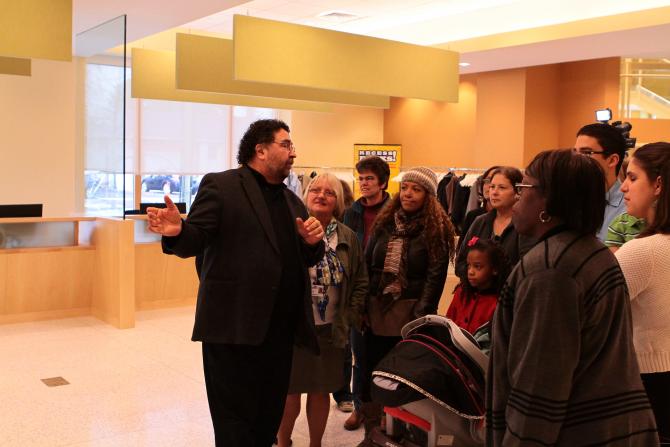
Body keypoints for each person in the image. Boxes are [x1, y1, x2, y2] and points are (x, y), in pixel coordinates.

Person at [146, 119, 326, 447]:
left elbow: (304, 257)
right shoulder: (223, 186)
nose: (293, 153)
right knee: (234, 423)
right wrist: (178, 231)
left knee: (267, 418)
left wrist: (314, 243)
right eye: (286, 144)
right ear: (260, 149)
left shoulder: (291, 201)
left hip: (279, 332)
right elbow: (197, 239)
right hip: (233, 329)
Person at [487, 149, 658, 446]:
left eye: (524, 187)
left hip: (577, 432)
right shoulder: (587, 250)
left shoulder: (552, 271)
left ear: (548, 202)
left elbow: (539, 387)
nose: (516, 197)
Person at [359, 167, 456, 446]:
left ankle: (400, 428)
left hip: (410, 313)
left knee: (403, 374)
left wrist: (421, 313)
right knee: (371, 370)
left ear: (428, 195)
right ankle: (373, 429)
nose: (408, 194)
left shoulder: (435, 228)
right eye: (405, 188)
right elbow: (368, 265)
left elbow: (434, 276)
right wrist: (364, 305)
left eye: (416, 189)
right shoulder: (384, 223)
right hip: (378, 310)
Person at [277, 173, 368, 447]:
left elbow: (360, 281)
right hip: (293, 326)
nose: (321, 195)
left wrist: (349, 318)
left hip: (330, 328)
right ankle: (283, 443)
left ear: (338, 201)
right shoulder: (290, 229)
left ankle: (315, 443)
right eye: (315, 190)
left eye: (329, 192)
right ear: (305, 196)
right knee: (289, 391)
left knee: (320, 391)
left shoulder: (346, 236)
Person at [615, 142, 670, 443]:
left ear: (658, 184)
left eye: (633, 178)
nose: (623, 187)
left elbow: (593, 314)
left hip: (650, 382)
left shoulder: (642, 251)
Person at [337, 156, 392, 430]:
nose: (364, 183)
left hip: (385, 295)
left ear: (382, 182)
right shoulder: (352, 212)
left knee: (385, 357)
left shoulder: (395, 211)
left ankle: (383, 412)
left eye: (370, 178)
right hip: (358, 292)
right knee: (359, 355)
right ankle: (360, 407)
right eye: (361, 178)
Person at [455, 166, 533, 282]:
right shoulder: (480, 221)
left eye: (502, 187)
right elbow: (460, 263)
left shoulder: (524, 225)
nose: (494, 192)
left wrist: (490, 276)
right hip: (478, 295)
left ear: (517, 191)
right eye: (492, 187)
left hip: (509, 295)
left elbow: (527, 269)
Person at [574, 122, 628, 241]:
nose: (576, 160)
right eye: (575, 152)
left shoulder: (629, 208)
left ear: (612, 160)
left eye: (586, 153)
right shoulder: (573, 200)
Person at [447, 236, 510, 335]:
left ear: (495, 269)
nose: (470, 272)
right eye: (469, 265)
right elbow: (448, 322)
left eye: (477, 266)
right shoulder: (462, 292)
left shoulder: (498, 303)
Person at [457, 165, 499, 246]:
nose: (490, 186)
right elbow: (462, 249)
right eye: (487, 180)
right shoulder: (473, 216)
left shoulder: (513, 220)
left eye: (499, 185)